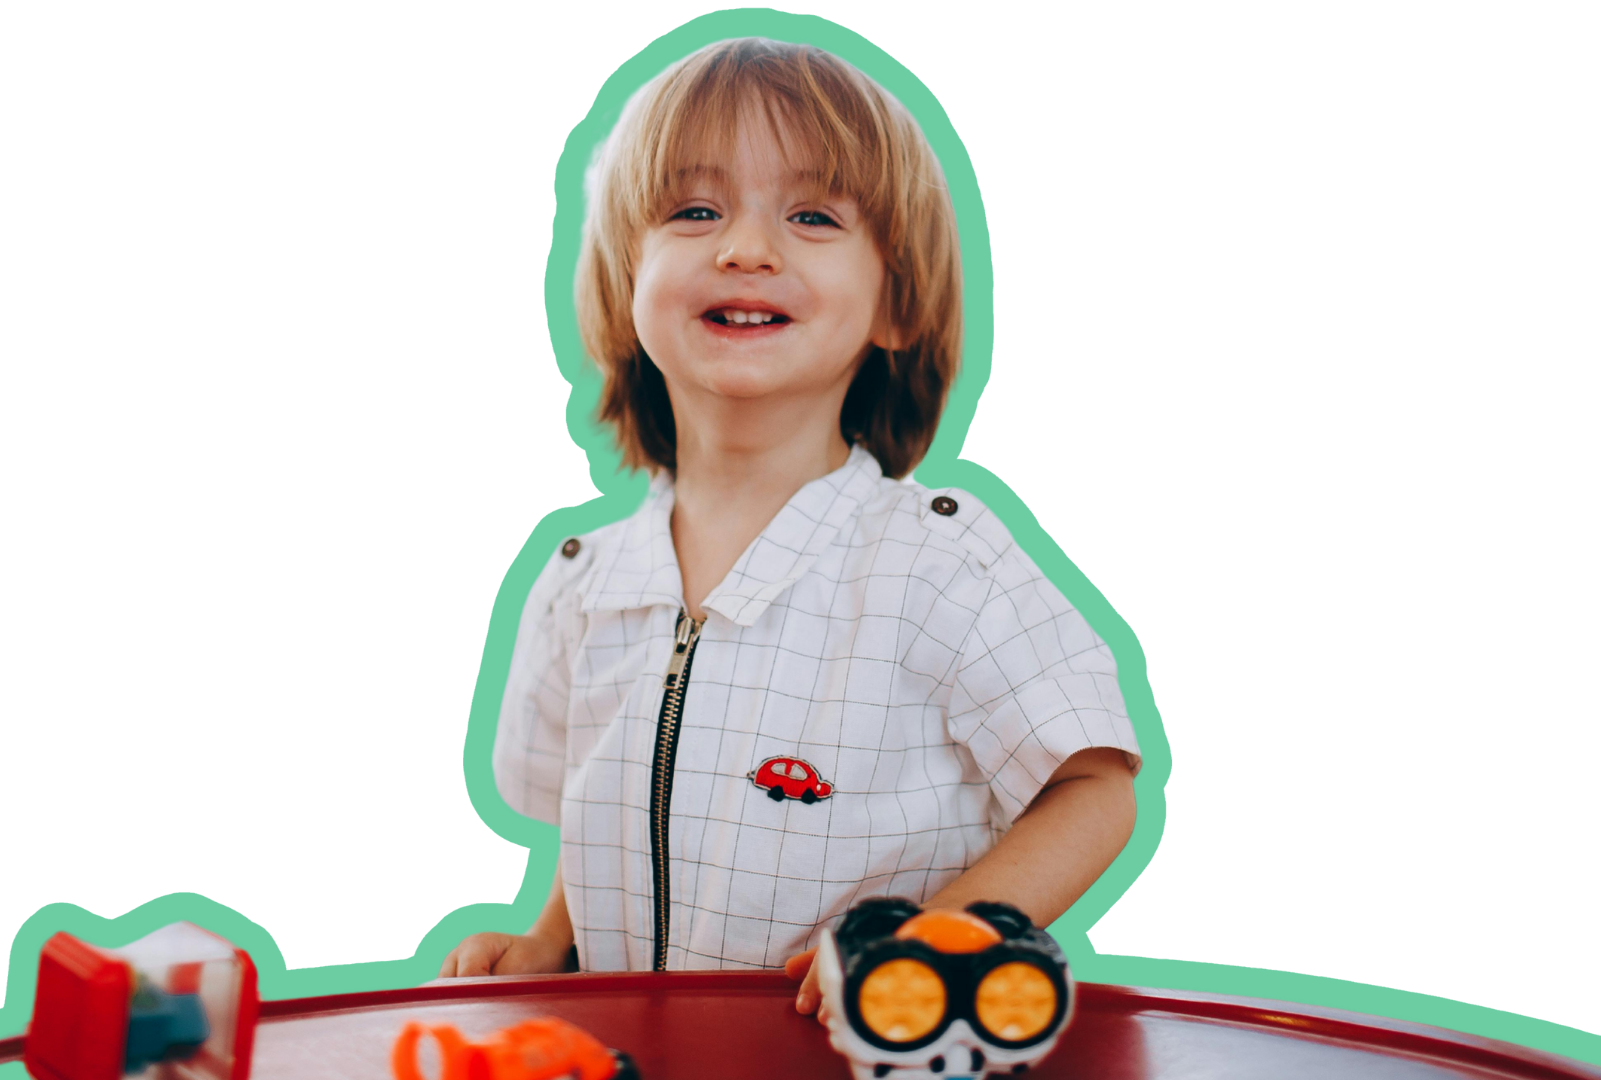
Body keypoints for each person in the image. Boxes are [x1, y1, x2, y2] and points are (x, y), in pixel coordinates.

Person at [441, 37, 1142, 1027]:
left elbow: (1095, 784)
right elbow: (599, 810)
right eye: (695, 210)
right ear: (624, 283)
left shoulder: (937, 559)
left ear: (895, 303)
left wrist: (945, 932)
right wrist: (549, 938)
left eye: (812, 215)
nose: (746, 249)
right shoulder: (581, 581)